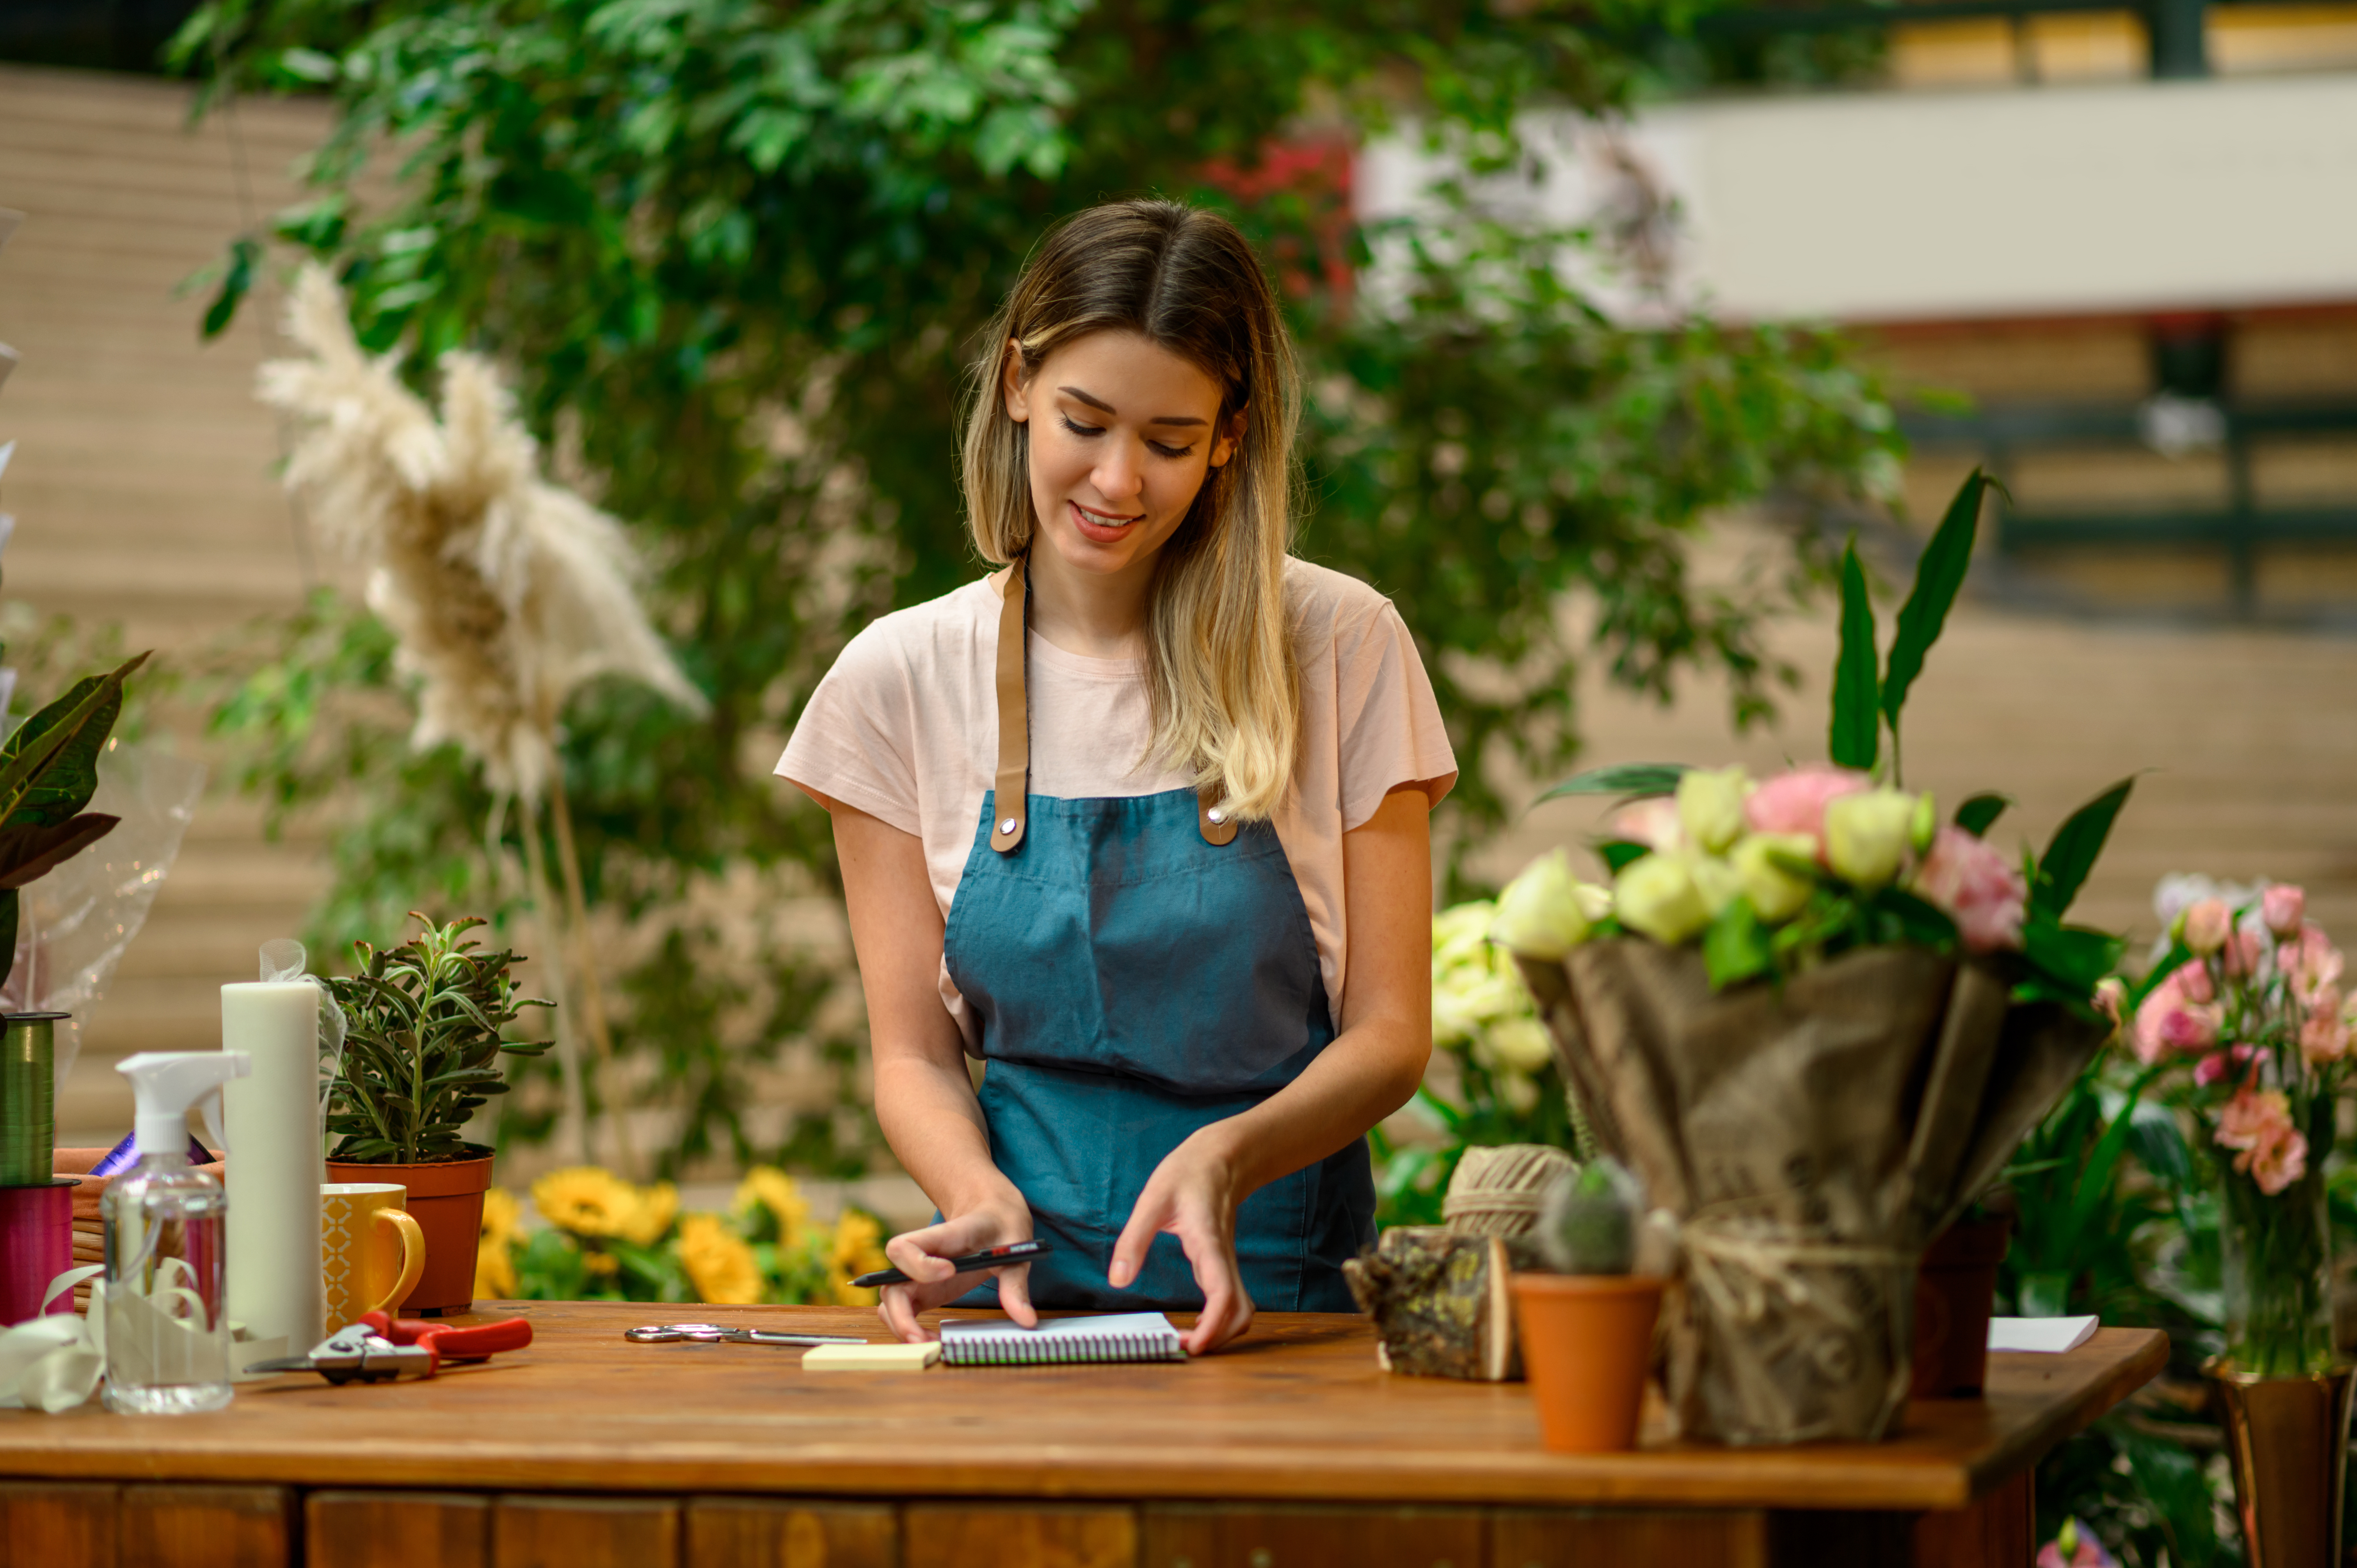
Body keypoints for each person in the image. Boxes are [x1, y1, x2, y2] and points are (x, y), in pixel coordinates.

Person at [777, 199, 1455, 1354]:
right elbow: (913, 1054)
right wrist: (977, 1201)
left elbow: (1392, 1034)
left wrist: (1228, 1157)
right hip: (1016, 1316)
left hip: (1277, 1314)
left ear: (1232, 435)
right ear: (1016, 384)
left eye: (1170, 440)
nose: (1118, 480)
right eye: (1085, 422)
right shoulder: (896, 676)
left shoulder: (1342, 644)